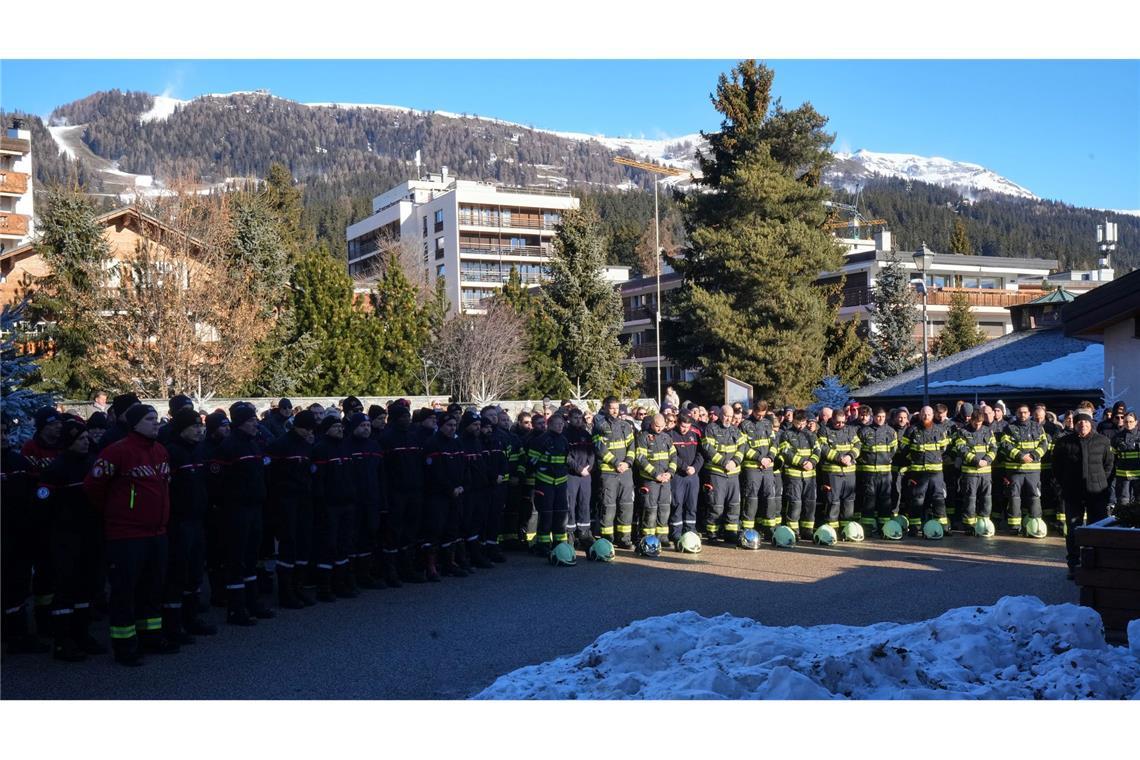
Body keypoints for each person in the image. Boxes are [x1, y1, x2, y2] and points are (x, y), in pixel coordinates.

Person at [84, 405, 174, 665]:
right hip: (126, 535)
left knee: (152, 588)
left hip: (157, 532)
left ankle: (151, 638)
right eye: (149, 420)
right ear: (134, 424)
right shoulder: (117, 451)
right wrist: (119, 512)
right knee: (125, 591)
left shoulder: (160, 451)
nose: (156, 424)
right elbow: (94, 487)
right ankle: (125, 646)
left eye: (157, 419)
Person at [38, 419, 106, 661]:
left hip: (91, 533)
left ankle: (82, 634)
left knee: (87, 586)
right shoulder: (56, 469)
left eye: (87, 438)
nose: (86, 442)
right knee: (66, 588)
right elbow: (43, 504)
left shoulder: (92, 463)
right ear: (68, 443)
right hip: (66, 537)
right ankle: (62, 640)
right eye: (80, 439)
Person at [217, 402, 275, 623]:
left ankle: (252, 602)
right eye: (251, 421)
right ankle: (236, 608)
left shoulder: (254, 444)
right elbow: (219, 482)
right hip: (236, 511)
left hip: (255, 508)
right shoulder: (228, 447)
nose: (256, 424)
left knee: (252, 557)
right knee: (237, 559)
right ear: (240, 423)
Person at [162, 407, 218, 639]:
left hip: (197, 520)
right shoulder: (172, 452)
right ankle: (174, 624)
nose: (198, 430)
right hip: (178, 522)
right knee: (178, 573)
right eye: (193, 427)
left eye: (200, 426)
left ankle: (192, 617)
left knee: (195, 571)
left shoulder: (199, 451)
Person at [266, 409, 318, 608]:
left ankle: (298, 587)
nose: (308, 432)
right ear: (296, 426)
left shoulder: (306, 446)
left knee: (304, 543)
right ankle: (286, 592)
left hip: (304, 500)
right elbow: (271, 476)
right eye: (305, 428)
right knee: (289, 544)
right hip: (286, 502)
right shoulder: (280, 446)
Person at [1054, 412, 1114, 579]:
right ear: (1075, 424)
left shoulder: (1102, 441)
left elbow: (1109, 465)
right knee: (1073, 530)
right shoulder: (1064, 442)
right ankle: (1074, 564)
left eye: (1086, 423)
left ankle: (1098, 563)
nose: (1083, 425)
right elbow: (1056, 467)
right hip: (1073, 493)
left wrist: (1101, 481)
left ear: (1091, 424)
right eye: (1079, 423)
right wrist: (1065, 483)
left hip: (1096, 493)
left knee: (1098, 529)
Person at [311, 415, 358, 601]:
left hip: (347, 504)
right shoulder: (321, 449)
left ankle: (341, 583)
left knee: (343, 544)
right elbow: (318, 481)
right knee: (328, 546)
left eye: (340, 426)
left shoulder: (345, 447)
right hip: (329, 506)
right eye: (335, 426)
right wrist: (322, 504)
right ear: (327, 429)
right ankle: (324, 587)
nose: (340, 429)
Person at [380, 405, 426, 584]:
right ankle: (391, 571)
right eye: (403, 417)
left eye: (408, 416)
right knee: (393, 532)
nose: (407, 419)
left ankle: (407, 567)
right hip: (395, 493)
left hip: (413, 491)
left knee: (410, 531)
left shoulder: (413, 437)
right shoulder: (387, 438)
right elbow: (384, 471)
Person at [422, 414, 466, 580]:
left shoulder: (457, 443)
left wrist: (462, 485)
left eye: (454, 425)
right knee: (435, 529)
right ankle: (431, 566)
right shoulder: (432, 444)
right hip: (437, 495)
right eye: (449, 425)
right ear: (440, 426)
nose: (452, 428)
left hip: (457, 493)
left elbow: (463, 467)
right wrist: (450, 489)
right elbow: (435, 473)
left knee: (452, 528)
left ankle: (450, 563)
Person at [998, 403, 1049, 536]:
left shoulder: (1038, 427)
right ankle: (1015, 526)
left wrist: (1033, 455)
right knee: (1014, 498)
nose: (1023, 415)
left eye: (1025, 412)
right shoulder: (1009, 428)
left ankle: (1035, 523)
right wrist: (1020, 456)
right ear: (1016, 413)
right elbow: (1005, 445)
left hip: (1033, 470)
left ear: (1029, 413)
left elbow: (1044, 444)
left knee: (1034, 497)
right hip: (1015, 470)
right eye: (1020, 412)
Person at [526, 411, 572, 556]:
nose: (560, 426)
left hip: (561, 483)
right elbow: (531, 462)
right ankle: (543, 544)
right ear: (549, 425)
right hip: (545, 482)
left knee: (561, 514)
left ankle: (560, 543)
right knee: (546, 514)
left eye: (562, 424)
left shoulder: (564, 440)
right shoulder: (541, 440)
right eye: (557, 424)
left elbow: (566, 460)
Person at [347, 413, 385, 588]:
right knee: (351, 537)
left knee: (369, 535)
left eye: (368, 425)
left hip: (372, 499)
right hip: (353, 500)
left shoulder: (375, 446)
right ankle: (350, 576)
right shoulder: (347, 447)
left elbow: (381, 474)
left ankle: (365, 573)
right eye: (362, 425)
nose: (366, 428)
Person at [593, 396, 636, 549]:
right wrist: (616, 463)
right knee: (608, 506)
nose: (615, 411)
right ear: (605, 408)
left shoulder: (626, 426)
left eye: (617, 408)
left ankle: (624, 539)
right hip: (608, 473)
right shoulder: (599, 426)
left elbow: (632, 446)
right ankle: (607, 539)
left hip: (625, 473)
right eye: (611, 408)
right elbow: (600, 448)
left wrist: (627, 463)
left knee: (626, 505)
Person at [900, 406, 951, 535]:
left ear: (932, 415)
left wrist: (934, 458)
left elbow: (944, 449)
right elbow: (903, 448)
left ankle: (943, 527)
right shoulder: (911, 430)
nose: (926, 416)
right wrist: (914, 458)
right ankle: (914, 527)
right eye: (924, 414)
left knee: (938, 499)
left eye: (928, 414)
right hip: (918, 472)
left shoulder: (939, 431)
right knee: (917, 499)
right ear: (920, 415)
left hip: (936, 472)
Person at [701, 404, 746, 542]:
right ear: (720, 415)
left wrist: (735, 462)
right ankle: (712, 532)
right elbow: (708, 449)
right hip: (717, 473)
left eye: (730, 417)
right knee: (716, 504)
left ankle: (730, 531)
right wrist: (724, 462)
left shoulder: (735, 430)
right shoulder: (711, 428)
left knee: (734, 504)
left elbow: (742, 447)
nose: (728, 419)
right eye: (726, 416)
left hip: (733, 474)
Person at [950, 409, 998, 533]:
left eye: (980, 423)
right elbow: (962, 449)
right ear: (970, 420)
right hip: (970, 473)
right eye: (975, 423)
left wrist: (986, 460)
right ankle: (969, 525)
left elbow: (994, 448)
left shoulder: (988, 431)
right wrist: (977, 461)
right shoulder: (963, 432)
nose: (978, 425)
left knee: (986, 499)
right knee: (970, 499)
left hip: (986, 472)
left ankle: (984, 522)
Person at [634, 413, 677, 546]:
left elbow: (674, 456)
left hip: (665, 480)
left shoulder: (667, 437)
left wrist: (670, 473)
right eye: (656, 426)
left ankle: (662, 536)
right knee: (650, 509)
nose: (659, 428)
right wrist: (655, 474)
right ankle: (648, 536)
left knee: (664, 508)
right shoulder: (643, 437)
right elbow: (641, 458)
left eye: (661, 426)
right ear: (652, 424)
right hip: (650, 480)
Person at [778, 410, 821, 541]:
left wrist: (812, 462)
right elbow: (786, 452)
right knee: (794, 503)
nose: (801, 426)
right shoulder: (786, 434)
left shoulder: (811, 435)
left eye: (803, 423)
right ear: (793, 421)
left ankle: (807, 530)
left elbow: (817, 450)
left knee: (810, 503)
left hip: (810, 475)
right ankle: (793, 531)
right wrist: (802, 462)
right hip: (794, 475)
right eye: (798, 423)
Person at [818, 408, 861, 537]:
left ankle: (847, 529)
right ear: (832, 419)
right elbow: (823, 448)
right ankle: (832, 531)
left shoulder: (850, 430)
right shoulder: (824, 430)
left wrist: (850, 456)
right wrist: (839, 458)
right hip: (832, 473)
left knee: (849, 501)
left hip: (849, 472)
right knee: (833, 501)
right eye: (838, 422)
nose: (840, 425)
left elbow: (858, 445)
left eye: (843, 422)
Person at [856, 407, 898, 535]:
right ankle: (868, 528)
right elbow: (859, 450)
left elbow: (893, 450)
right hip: (869, 473)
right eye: (878, 416)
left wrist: (887, 459)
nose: (881, 419)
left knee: (885, 500)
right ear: (873, 417)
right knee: (869, 500)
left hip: (885, 474)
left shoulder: (891, 432)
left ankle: (884, 527)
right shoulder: (864, 431)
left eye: (883, 417)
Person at [740, 400, 778, 539]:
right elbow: (743, 447)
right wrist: (759, 458)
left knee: (769, 496)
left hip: (768, 467)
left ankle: (768, 527)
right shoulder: (744, 425)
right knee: (751, 497)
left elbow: (774, 443)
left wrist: (770, 458)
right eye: (758, 414)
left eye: (762, 415)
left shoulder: (768, 423)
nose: (760, 417)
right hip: (752, 467)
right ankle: (748, 529)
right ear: (753, 411)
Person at [564, 407, 595, 546]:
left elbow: (592, 453)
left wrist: (589, 467)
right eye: (575, 417)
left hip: (586, 475)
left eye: (579, 417)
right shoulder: (565, 434)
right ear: (569, 418)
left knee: (584, 503)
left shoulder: (586, 434)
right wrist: (578, 469)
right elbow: (567, 457)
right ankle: (569, 533)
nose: (578, 420)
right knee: (570, 504)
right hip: (572, 474)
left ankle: (584, 532)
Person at [1112, 411, 1139, 507]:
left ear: (1136, 422)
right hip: (1122, 477)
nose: (1128, 424)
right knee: (1123, 502)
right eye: (1126, 422)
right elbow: (1112, 457)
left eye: (1131, 421)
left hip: (1138, 477)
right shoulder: (1117, 438)